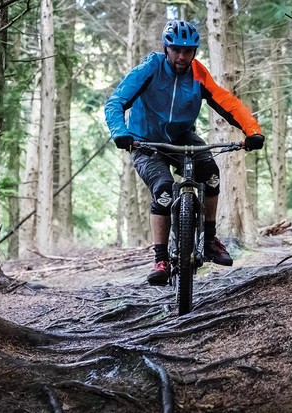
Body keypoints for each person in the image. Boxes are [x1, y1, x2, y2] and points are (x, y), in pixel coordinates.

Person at [104, 19, 265, 286]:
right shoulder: (151, 68)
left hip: (181, 136)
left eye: (188, 51)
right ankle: (161, 259)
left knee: (211, 174)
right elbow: (117, 101)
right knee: (164, 189)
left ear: (195, 52)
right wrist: (121, 133)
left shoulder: (198, 74)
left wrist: (252, 131)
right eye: (176, 49)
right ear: (166, 49)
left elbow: (228, 103)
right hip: (145, 141)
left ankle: (210, 239)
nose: (182, 56)